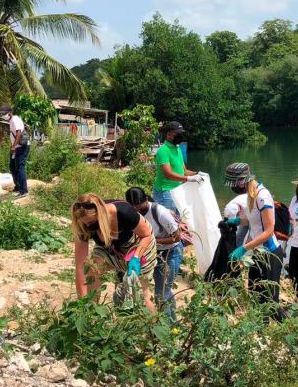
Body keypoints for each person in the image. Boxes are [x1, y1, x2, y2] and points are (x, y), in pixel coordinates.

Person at [70, 193, 158, 314]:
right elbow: (80, 266)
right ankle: (90, 311)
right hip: (108, 245)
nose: (88, 226)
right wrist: (82, 303)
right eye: (85, 223)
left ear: (101, 214)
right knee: (92, 269)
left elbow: (146, 234)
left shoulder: (124, 212)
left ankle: (152, 329)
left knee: (141, 293)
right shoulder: (83, 224)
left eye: (91, 223)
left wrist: (136, 257)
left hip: (139, 244)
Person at [224, 162, 285, 320]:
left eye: (234, 183)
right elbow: (253, 224)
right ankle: (260, 329)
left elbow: (269, 230)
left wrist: (243, 249)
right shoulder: (250, 196)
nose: (233, 187)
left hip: (270, 254)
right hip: (258, 253)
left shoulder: (262, 196)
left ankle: (290, 333)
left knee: (271, 302)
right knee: (254, 294)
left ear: (243, 181)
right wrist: (238, 221)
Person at [125, 187, 183, 320]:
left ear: (146, 199)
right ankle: (172, 321)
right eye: (134, 208)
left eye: (140, 207)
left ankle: (168, 328)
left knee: (161, 293)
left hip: (170, 252)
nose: (137, 211)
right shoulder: (130, 213)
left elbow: (177, 237)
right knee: (163, 290)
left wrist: (151, 241)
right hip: (153, 253)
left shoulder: (159, 212)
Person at [152, 121, 204, 212]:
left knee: (179, 222)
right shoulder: (164, 150)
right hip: (165, 193)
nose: (180, 136)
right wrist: (188, 179)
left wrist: (197, 174)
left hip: (177, 190)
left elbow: (184, 171)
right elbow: (168, 174)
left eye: (181, 133)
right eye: (177, 134)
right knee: (169, 223)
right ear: (169, 134)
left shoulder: (177, 149)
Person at [0, 105, 29, 197]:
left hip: (21, 147)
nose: (3, 115)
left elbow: (19, 133)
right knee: (12, 166)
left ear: (10, 112)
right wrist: (13, 147)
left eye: (4, 114)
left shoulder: (15, 119)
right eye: (2, 114)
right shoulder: (11, 121)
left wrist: (14, 146)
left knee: (20, 167)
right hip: (16, 147)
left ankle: (23, 190)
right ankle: (18, 186)